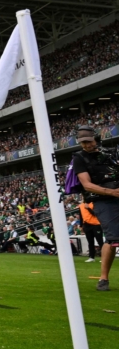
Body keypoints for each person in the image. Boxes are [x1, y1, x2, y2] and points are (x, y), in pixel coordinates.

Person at [71, 125, 119, 291]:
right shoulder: (79, 158)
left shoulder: (110, 153)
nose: (86, 145)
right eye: (83, 143)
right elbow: (87, 185)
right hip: (103, 200)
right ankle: (104, 278)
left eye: (89, 141)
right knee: (114, 239)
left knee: (111, 239)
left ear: (96, 138)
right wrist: (112, 192)